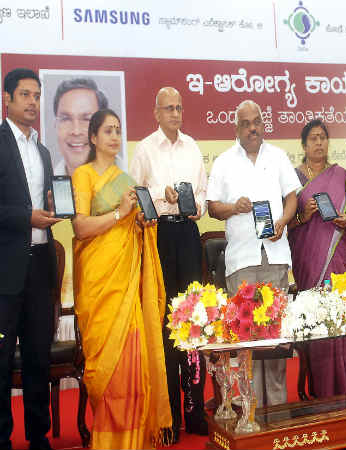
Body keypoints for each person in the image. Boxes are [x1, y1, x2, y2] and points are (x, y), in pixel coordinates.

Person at [72, 109, 171, 449]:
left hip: (126, 287)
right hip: (99, 285)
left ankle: (134, 442)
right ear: (93, 137)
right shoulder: (83, 175)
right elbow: (80, 227)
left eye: (118, 130)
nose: (115, 136)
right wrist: (120, 214)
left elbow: (136, 223)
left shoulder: (127, 180)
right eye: (108, 131)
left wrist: (143, 223)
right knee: (107, 374)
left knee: (132, 367)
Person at [207, 100, 300, 408]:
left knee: (275, 341)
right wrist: (234, 207)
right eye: (246, 124)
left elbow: (292, 198)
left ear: (263, 123)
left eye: (257, 122)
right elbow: (212, 207)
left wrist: (283, 221)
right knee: (247, 341)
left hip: (275, 256)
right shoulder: (224, 162)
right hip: (242, 261)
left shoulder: (278, 156)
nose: (252, 128)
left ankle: (277, 411)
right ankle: (251, 413)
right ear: (236, 129)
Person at [129, 87, 208, 440]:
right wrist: (162, 196)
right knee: (164, 324)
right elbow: (136, 197)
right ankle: (170, 416)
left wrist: (196, 205)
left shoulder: (192, 146)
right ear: (156, 113)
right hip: (158, 236)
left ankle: (195, 411)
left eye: (179, 107)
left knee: (192, 321)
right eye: (168, 108)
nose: (175, 113)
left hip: (188, 235)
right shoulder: (144, 149)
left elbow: (203, 193)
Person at [0, 68, 61, 450]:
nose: (33, 102)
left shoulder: (43, 150)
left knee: (39, 357)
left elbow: (44, 202)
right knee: (2, 359)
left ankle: (39, 437)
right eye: (25, 95)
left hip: (40, 266)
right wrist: (27, 217)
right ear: (7, 98)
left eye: (37, 96)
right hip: (6, 272)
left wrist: (53, 207)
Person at [287, 119, 346, 398]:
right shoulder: (293, 179)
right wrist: (303, 216)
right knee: (319, 321)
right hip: (309, 262)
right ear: (304, 145)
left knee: (343, 319)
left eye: (322, 137)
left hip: (341, 259)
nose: (319, 142)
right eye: (313, 138)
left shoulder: (341, 175)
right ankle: (323, 391)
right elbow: (285, 223)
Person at [53, 78, 108, 175]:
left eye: (87, 119)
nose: (76, 131)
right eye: (66, 119)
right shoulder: (44, 181)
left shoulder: (128, 180)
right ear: (56, 125)